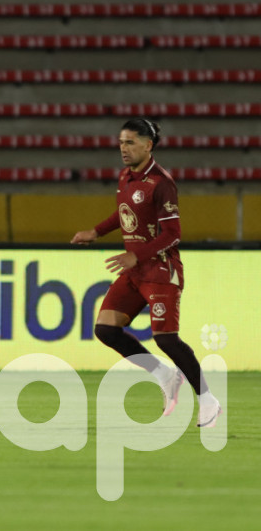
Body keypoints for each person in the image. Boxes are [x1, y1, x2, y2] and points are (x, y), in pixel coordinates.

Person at [71, 118, 221, 427]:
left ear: (148, 145)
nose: (123, 149)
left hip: (161, 270)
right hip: (135, 271)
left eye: (130, 142)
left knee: (166, 339)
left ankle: (208, 400)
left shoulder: (162, 182)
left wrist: (134, 255)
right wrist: (97, 231)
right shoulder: (126, 176)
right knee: (106, 330)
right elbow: (125, 212)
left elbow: (172, 233)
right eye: (121, 142)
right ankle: (165, 374)